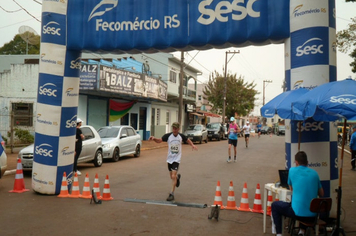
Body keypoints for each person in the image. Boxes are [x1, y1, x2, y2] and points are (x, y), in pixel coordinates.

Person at [271, 151, 324, 236]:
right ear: (307, 162)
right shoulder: (315, 173)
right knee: (305, 203)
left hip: (297, 214)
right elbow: (321, 193)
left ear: (296, 162)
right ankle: (302, 231)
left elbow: (291, 189)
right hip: (313, 215)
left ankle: (279, 234)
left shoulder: (292, 170)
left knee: (275, 205)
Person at [149, 122, 198, 201]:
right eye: (173, 128)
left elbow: (188, 140)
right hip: (169, 159)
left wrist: (192, 145)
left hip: (176, 159)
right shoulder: (168, 136)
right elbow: (159, 140)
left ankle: (172, 194)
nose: (174, 130)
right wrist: (154, 138)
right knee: (172, 177)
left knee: (173, 176)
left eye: (176, 128)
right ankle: (177, 178)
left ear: (178, 129)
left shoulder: (181, 136)